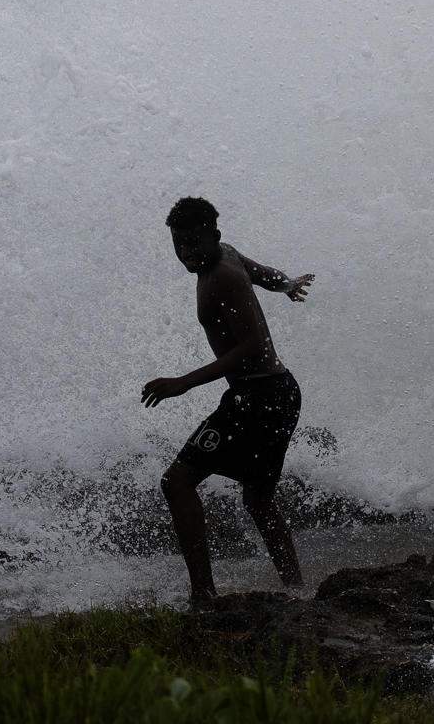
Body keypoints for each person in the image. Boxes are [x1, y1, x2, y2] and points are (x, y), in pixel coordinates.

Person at [142, 196, 315, 605]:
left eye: (194, 243)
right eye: (179, 244)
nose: (186, 253)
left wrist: (184, 382)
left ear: (214, 236)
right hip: (279, 393)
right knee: (258, 498)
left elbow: (252, 345)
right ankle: (296, 590)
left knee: (177, 482)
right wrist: (287, 284)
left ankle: (203, 595)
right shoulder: (227, 254)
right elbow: (263, 274)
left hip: (258, 396)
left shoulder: (221, 276)